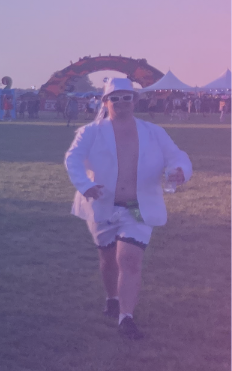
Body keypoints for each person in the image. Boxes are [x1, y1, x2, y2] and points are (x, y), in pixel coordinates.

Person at [64, 78, 192, 340]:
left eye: (127, 97)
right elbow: (73, 158)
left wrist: (180, 171)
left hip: (138, 207)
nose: (122, 103)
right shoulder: (91, 131)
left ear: (135, 100)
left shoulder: (153, 132)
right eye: (116, 98)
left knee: (129, 260)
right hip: (102, 204)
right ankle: (112, 297)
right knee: (108, 260)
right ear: (106, 102)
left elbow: (177, 155)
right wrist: (85, 185)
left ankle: (126, 317)